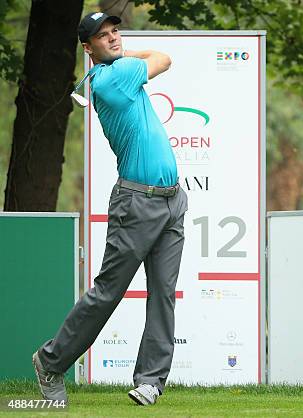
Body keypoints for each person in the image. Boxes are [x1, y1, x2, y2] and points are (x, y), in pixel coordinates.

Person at [32, 12, 188, 406]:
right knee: (108, 293)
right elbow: (163, 58)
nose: (114, 38)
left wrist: (116, 55)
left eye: (115, 31)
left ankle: (151, 379)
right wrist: (118, 60)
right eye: (103, 36)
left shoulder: (116, 69)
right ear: (89, 49)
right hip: (136, 203)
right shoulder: (113, 78)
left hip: (172, 200)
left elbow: (156, 58)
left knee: (163, 293)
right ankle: (50, 361)